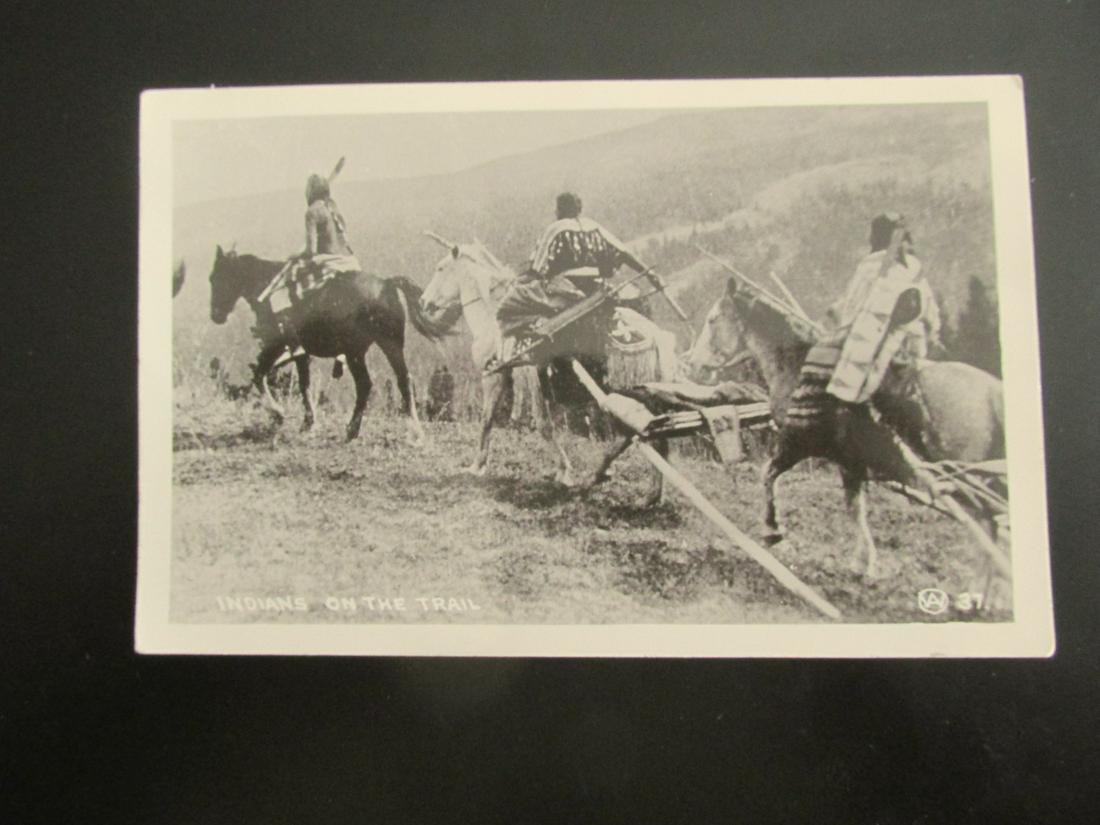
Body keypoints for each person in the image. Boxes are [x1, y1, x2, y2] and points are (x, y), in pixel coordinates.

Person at [495, 192, 649, 361]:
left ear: (560, 209)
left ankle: (530, 341)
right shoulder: (594, 226)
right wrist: (651, 275)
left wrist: (517, 281)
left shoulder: (556, 229)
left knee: (506, 307)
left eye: (557, 208)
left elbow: (537, 271)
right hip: (596, 289)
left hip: (567, 291)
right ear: (579, 208)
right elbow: (624, 252)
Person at [825, 212, 941, 403]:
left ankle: (848, 408)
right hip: (915, 346)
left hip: (877, 346)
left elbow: (852, 307)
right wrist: (933, 333)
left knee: (836, 376)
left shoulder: (870, 266)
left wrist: (838, 323)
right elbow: (930, 311)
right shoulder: (914, 265)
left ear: (877, 237)